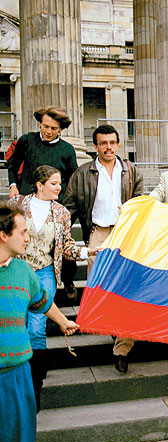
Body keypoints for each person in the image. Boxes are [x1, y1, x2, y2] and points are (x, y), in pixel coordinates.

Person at [0, 201, 78, 442]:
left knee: (15, 435)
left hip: (17, 371)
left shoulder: (24, 271)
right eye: (22, 232)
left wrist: (63, 322)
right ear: (3, 235)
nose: (28, 239)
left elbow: (43, 302)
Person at [12, 165, 99, 412]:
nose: (59, 188)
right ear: (39, 185)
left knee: (37, 327)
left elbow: (66, 245)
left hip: (45, 272)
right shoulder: (18, 205)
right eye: (54, 183)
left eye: (60, 183)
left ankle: (35, 387)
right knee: (20, 323)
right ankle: (19, 380)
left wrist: (85, 251)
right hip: (19, 270)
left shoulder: (61, 212)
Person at [63, 124, 144, 374]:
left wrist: (133, 214)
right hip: (97, 234)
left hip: (125, 234)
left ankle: (122, 349)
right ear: (96, 146)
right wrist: (60, 232)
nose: (108, 147)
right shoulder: (83, 173)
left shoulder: (130, 171)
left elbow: (142, 201)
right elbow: (70, 206)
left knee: (127, 290)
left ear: (118, 144)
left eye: (112, 142)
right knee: (100, 289)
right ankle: (113, 325)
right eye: (103, 143)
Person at [8, 106, 79, 301]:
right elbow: (13, 164)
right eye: (45, 126)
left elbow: (73, 179)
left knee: (62, 246)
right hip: (27, 202)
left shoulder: (67, 149)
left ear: (61, 130)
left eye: (53, 128)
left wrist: (65, 206)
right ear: (39, 123)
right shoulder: (26, 141)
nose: (48, 131)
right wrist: (14, 185)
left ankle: (67, 278)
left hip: (55, 207)